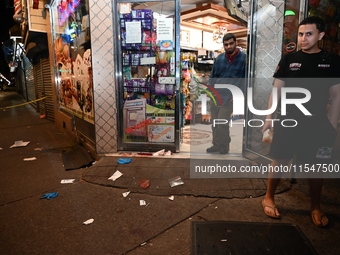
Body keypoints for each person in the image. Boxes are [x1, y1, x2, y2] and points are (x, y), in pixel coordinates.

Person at [261, 16, 340, 227]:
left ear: (321, 35)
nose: (304, 38)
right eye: (301, 34)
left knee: (317, 166)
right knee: (279, 159)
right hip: (288, 120)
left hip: (317, 122)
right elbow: (276, 90)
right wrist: (269, 118)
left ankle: (315, 205)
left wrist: (332, 126)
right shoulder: (289, 59)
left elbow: (337, 95)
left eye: (309, 34)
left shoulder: (332, 61)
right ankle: (269, 196)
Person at [206, 33, 246, 154]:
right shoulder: (219, 58)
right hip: (216, 95)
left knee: (222, 122)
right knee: (214, 122)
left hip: (230, 97)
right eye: (226, 45)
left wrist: (239, 94)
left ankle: (224, 145)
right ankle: (216, 145)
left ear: (235, 43)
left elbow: (246, 79)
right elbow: (213, 76)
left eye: (231, 44)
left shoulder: (244, 58)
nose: (228, 46)